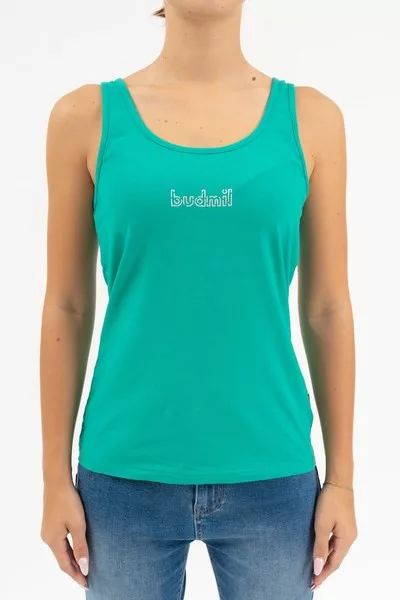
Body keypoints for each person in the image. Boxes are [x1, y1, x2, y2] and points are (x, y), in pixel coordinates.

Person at [39, 1, 358, 598]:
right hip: (122, 478)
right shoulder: (84, 118)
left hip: (273, 473)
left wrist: (342, 479)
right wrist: (53, 478)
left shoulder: (312, 119)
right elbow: (67, 306)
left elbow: (327, 309)